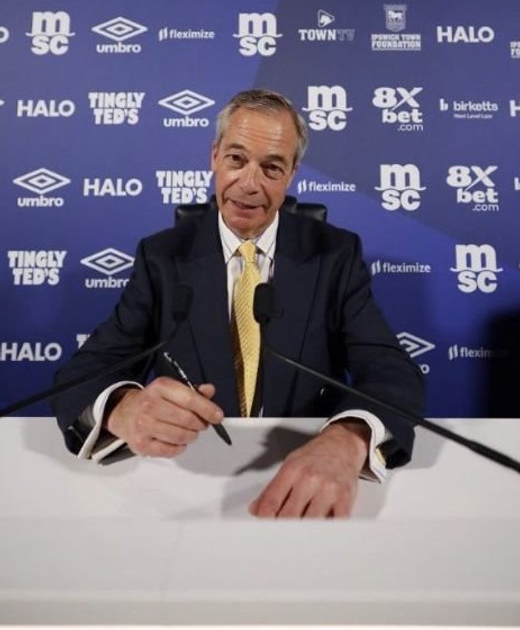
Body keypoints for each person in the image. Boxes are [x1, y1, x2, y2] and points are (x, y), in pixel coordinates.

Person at [50, 89, 425, 519]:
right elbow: (83, 373)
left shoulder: (334, 255)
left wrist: (348, 439)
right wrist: (123, 409)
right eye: (236, 159)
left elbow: (391, 371)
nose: (249, 184)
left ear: (291, 175)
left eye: (271, 167)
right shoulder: (162, 257)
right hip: (180, 485)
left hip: (301, 477)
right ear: (214, 156)